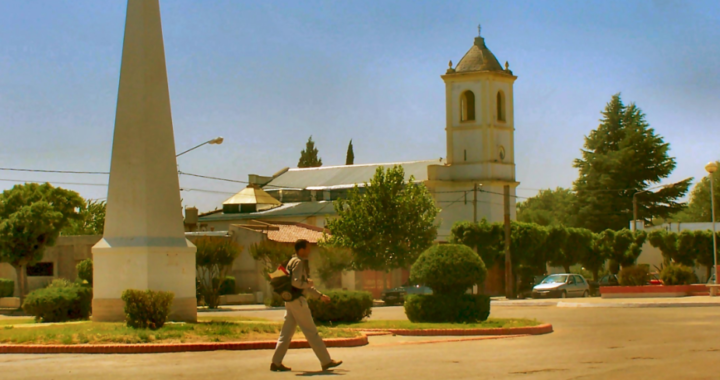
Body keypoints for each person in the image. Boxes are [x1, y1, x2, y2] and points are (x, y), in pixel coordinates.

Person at [271, 239, 343, 372]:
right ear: (301, 249)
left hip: (290, 301)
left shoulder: (291, 261)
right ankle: (326, 361)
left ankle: (276, 363)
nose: (309, 251)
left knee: (286, 334)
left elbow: (298, 284)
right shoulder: (299, 263)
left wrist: (320, 296)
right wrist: (309, 284)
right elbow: (297, 283)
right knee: (311, 332)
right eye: (308, 248)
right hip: (298, 301)